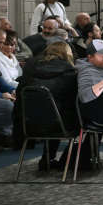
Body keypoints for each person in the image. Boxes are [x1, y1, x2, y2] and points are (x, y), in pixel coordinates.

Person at [14, 40, 80, 169]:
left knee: (51, 112)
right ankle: (69, 162)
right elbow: (73, 102)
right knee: (78, 118)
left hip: (28, 124)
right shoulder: (70, 73)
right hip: (59, 124)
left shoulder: (30, 72)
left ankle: (47, 159)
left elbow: (19, 98)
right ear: (68, 54)